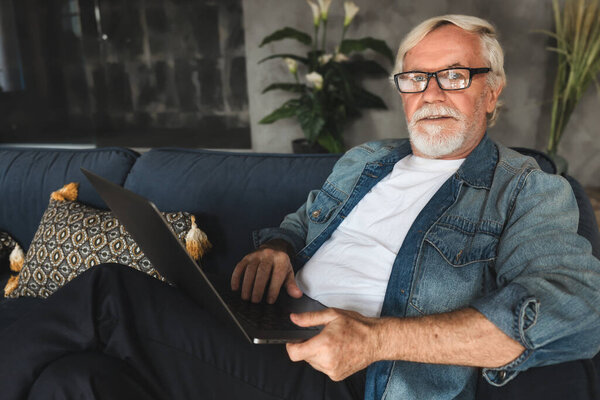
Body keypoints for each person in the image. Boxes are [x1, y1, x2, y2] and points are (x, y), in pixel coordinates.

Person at [0, 14, 599, 400]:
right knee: (71, 381)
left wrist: (375, 340)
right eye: (415, 79)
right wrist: (278, 247)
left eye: (454, 76)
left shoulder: (526, 187)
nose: (431, 94)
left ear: (492, 91)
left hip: (350, 378)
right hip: (263, 336)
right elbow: (302, 220)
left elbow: (571, 309)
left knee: (110, 289)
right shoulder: (366, 160)